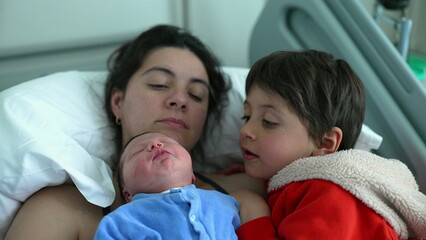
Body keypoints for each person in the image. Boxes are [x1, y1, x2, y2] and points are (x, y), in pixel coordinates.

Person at [5, 25, 264, 240]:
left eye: (196, 95)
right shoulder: (62, 209)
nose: (179, 100)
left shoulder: (244, 193)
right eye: (159, 84)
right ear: (118, 102)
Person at [234, 50, 426, 239]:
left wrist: (254, 214)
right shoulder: (284, 179)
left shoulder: (331, 196)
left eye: (269, 121)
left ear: (324, 142)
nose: (246, 130)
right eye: (247, 116)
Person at [94, 132, 240, 239]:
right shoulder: (120, 221)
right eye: (138, 151)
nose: (156, 144)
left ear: (192, 176)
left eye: (167, 142)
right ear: (127, 195)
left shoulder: (227, 202)